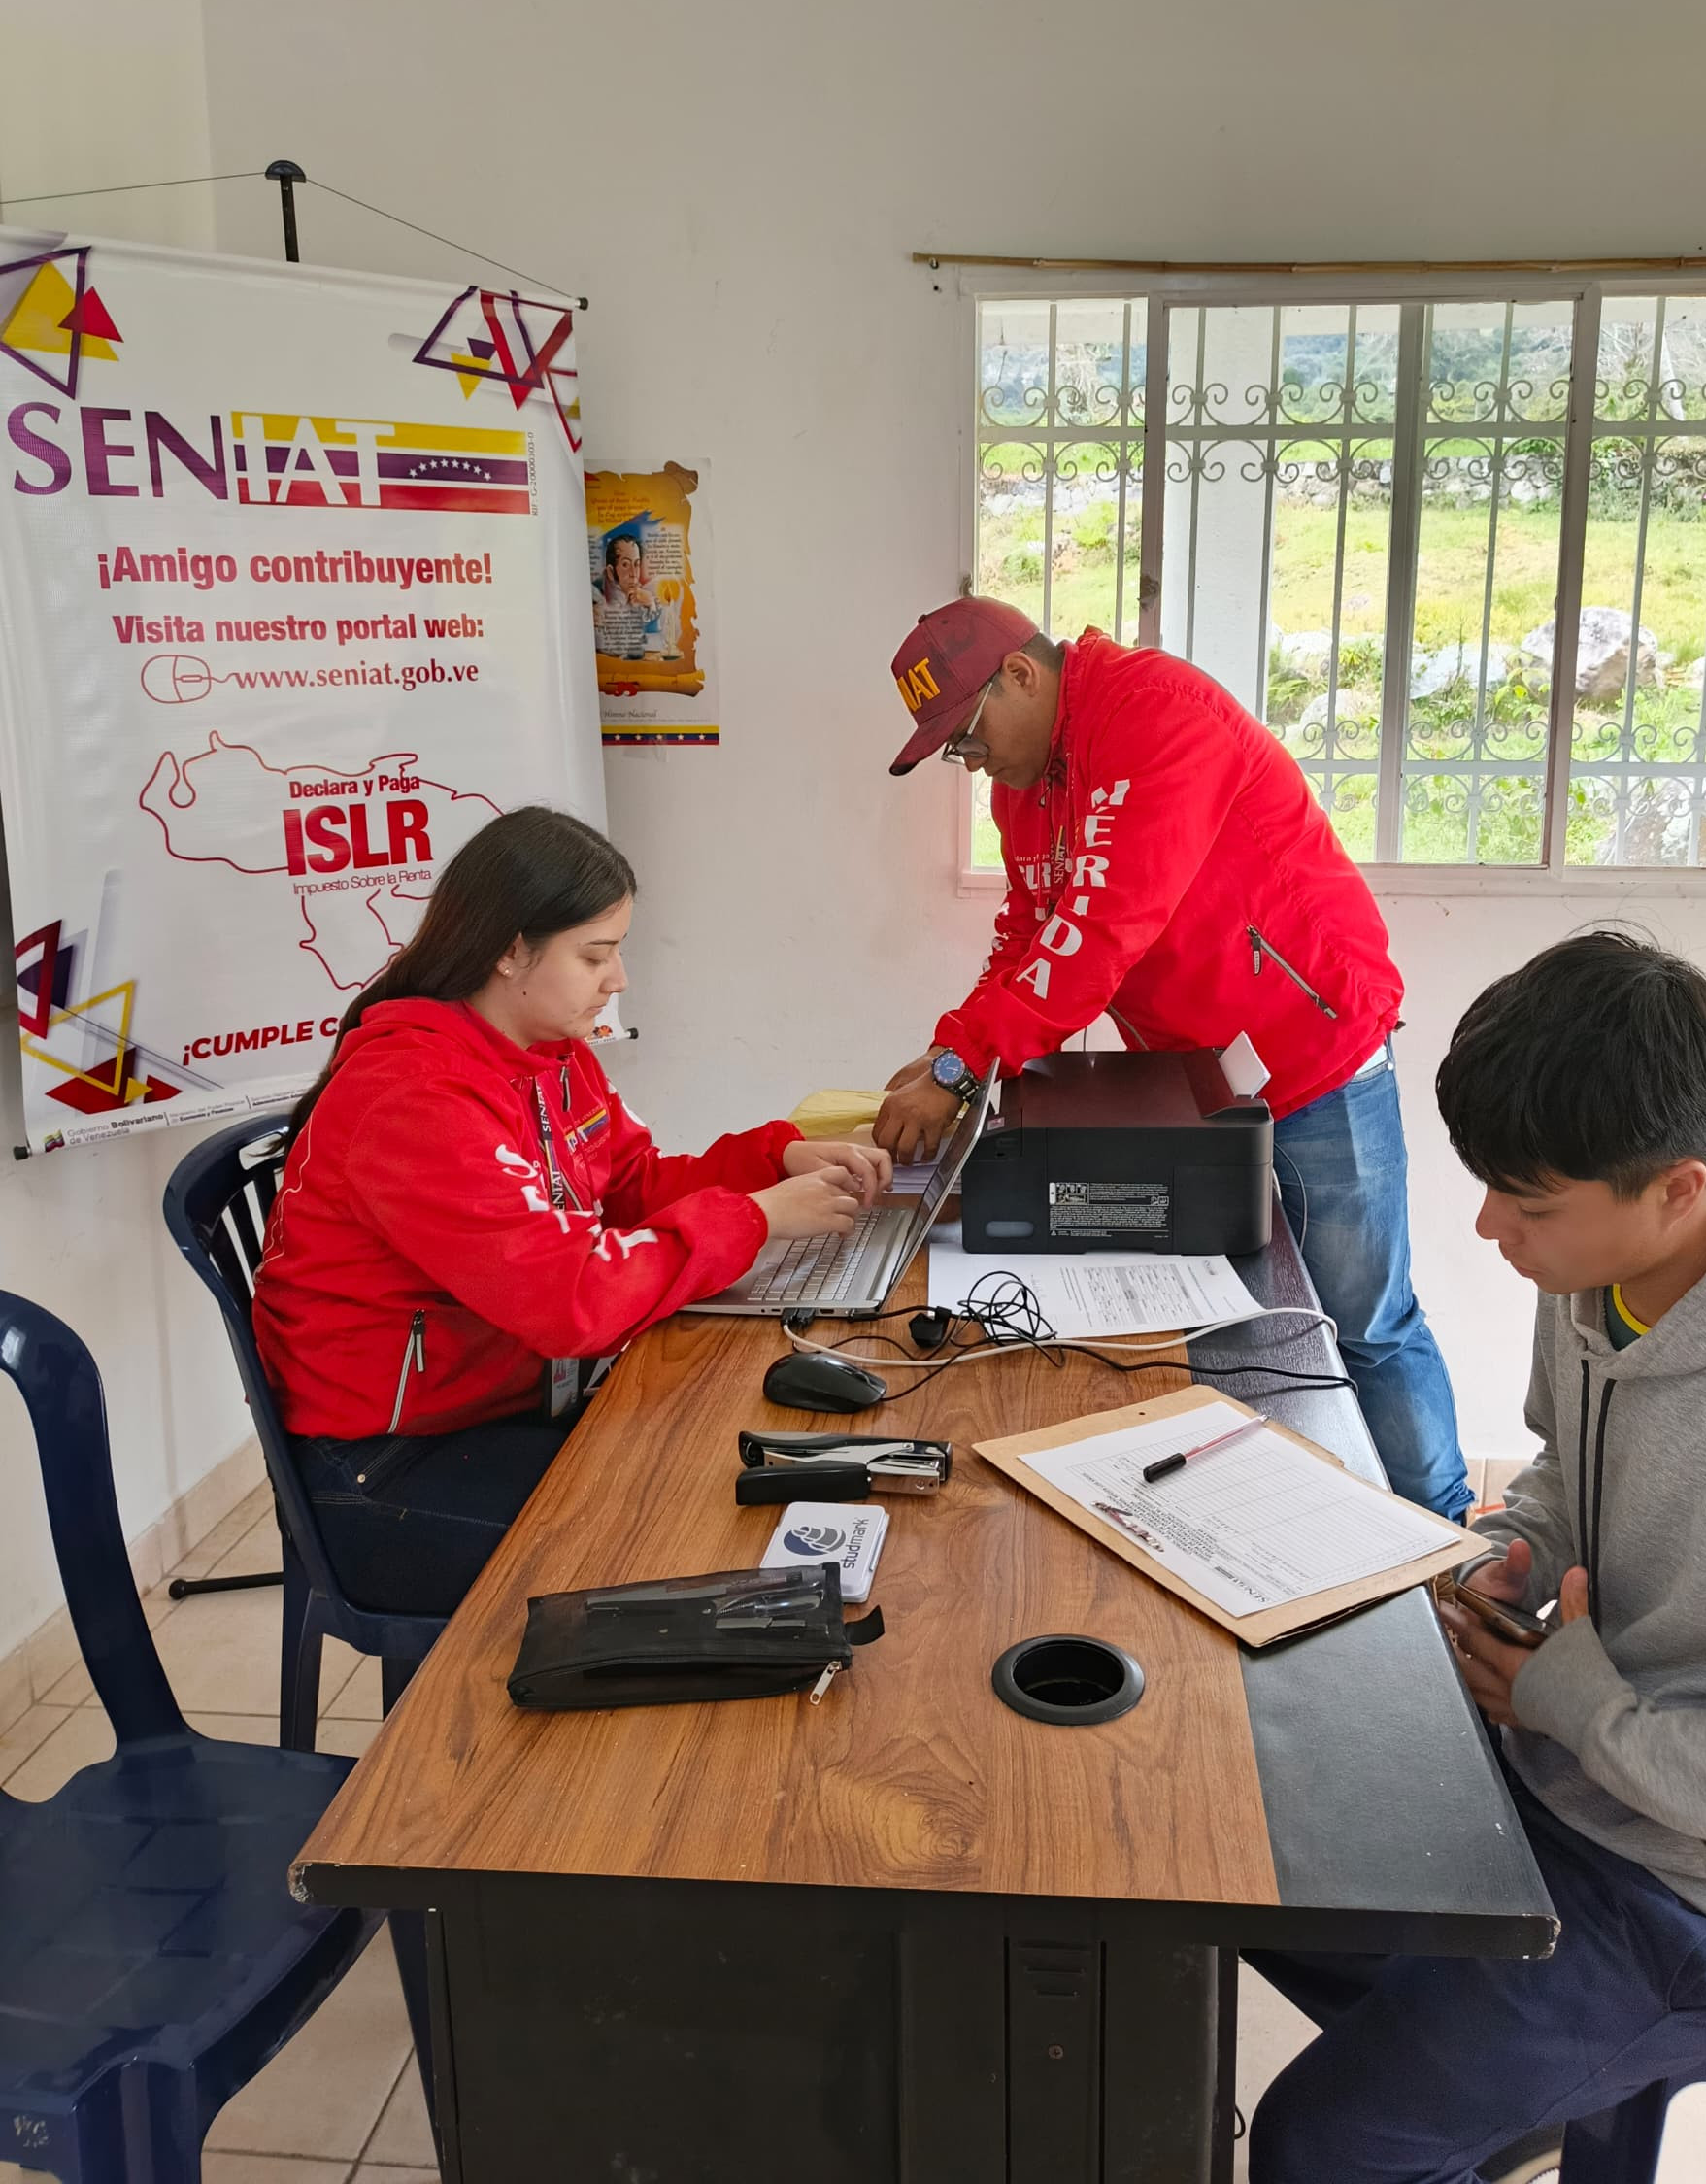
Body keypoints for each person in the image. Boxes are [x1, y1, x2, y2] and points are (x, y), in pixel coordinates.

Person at [1244, 932, 1706, 2184]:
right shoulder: (1602, 1270)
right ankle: (1484, 2099)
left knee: (1324, 2148)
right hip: (1568, 1767)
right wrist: (1512, 1551)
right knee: (1238, 1854)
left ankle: (1463, 2103)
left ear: (1680, 1185)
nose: (1487, 1230)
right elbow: (1564, 1472)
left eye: (1525, 1206)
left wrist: (1585, 1710)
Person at [876, 596, 1470, 1520]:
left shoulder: (1159, 716)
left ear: (1022, 676)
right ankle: (1304, 1529)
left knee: (1364, 1328)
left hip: (1315, 1055)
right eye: (954, 747)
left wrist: (961, 1066)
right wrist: (950, 1051)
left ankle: (1445, 1541)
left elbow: (1096, 935)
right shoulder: (1026, 784)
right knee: (1248, 1334)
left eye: (968, 731)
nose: (972, 758)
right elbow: (1030, 928)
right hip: (1200, 1080)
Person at [254, 805, 887, 1618]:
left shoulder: (551, 1056)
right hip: (383, 1472)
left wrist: (774, 1157)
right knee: (704, 1549)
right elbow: (572, 1300)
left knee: (725, 1471)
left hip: (502, 1407)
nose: (617, 979)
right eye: (596, 955)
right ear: (509, 951)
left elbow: (630, 1182)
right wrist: (759, 1218)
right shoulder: (411, 1098)